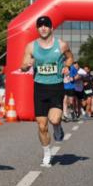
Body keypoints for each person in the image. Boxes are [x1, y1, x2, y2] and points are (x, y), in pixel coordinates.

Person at [20, 15, 73, 167]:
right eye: (40, 26)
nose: (43, 28)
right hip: (39, 87)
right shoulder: (31, 47)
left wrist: (67, 66)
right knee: (42, 125)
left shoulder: (61, 45)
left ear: (51, 28)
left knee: (54, 119)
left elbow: (70, 58)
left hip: (56, 86)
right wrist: (27, 65)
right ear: (37, 29)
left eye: (46, 25)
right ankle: (47, 154)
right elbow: (23, 65)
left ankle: (57, 126)